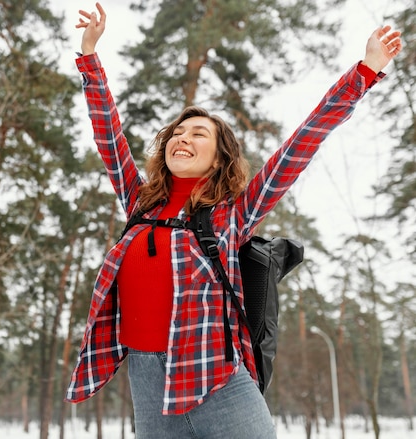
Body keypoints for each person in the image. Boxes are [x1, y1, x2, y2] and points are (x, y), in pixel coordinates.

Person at [65, 3, 403, 438]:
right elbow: (107, 132)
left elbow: (302, 142)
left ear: (219, 156)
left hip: (218, 383)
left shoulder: (230, 214)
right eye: (176, 134)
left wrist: (365, 72)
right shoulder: (139, 205)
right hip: (149, 385)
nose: (182, 138)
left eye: (197, 134)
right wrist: (89, 56)